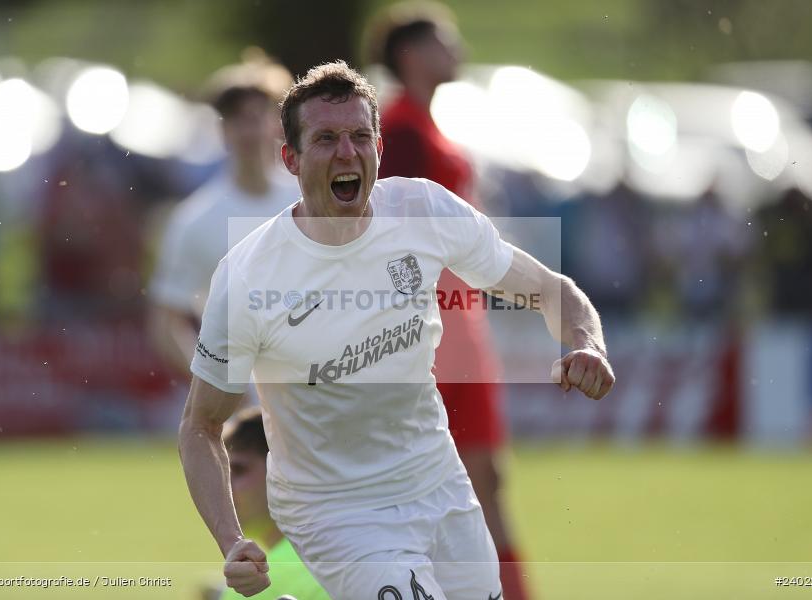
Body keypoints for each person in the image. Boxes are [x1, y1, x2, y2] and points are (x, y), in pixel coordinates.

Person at [179, 62, 614, 599]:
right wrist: (231, 541)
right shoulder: (248, 275)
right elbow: (200, 427)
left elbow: (549, 288)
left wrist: (587, 344)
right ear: (290, 158)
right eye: (326, 139)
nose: (347, 152)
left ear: (379, 148)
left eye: (360, 136)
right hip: (336, 512)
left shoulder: (422, 209)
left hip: (440, 483)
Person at [368, 4, 530, 597]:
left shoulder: (421, 124)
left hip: (458, 322)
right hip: (433, 328)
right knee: (462, 482)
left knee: (480, 479)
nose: (457, 50)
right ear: (411, 54)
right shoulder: (401, 130)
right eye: (444, 41)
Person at [149, 49, 299, 375]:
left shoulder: (310, 199)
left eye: (256, 116)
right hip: (246, 398)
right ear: (222, 129)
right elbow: (167, 324)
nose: (248, 130)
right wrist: (217, 386)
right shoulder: (195, 219)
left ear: (276, 123)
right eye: (236, 119)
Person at [207, 407, 329, 600]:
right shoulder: (345, 550)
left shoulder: (254, 586)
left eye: (239, 470)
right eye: (222, 472)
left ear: (284, 472)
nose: (225, 486)